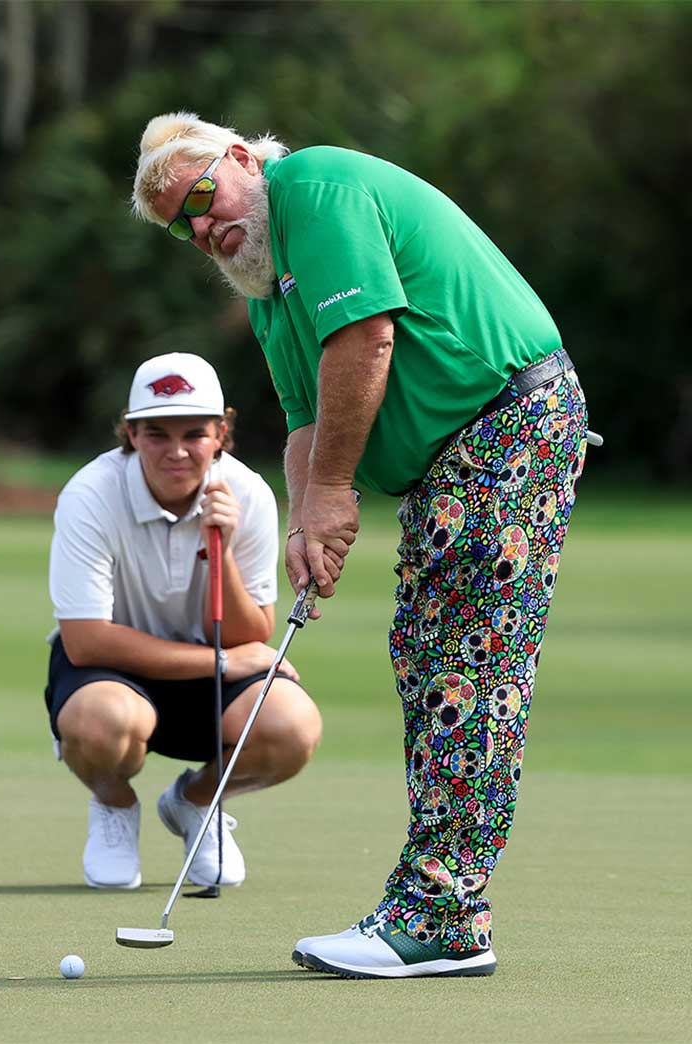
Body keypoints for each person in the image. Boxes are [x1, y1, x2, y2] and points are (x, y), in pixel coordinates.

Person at [132, 113, 590, 978]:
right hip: (455, 462)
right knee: (427, 657)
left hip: (506, 425)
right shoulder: (266, 287)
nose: (200, 228)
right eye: (179, 226)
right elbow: (306, 421)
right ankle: (440, 909)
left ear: (239, 158)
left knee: (467, 668)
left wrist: (338, 492)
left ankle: (445, 917)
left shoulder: (315, 187)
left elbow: (364, 337)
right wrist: (309, 521)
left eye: (201, 198)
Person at [48, 352, 321, 893]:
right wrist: (222, 661)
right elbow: (85, 641)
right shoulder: (90, 494)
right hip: (110, 670)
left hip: (208, 666)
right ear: (130, 432)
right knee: (102, 722)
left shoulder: (247, 493)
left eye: (194, 433)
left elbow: (251, 631)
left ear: (221, 432)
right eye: (156, 434)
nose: (176, 451)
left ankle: (196, 801)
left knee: (292, 727)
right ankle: (114, 804)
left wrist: (218, 548)